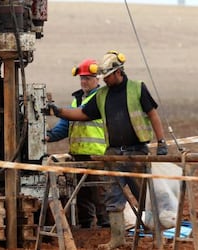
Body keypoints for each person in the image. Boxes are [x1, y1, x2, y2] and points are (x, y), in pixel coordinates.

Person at [47, 50, 168, 249]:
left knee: (145, 195)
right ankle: (117, 238)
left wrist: (161, 142)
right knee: (113, 196)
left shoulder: (137, 89)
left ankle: (159, 239)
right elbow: (83, 114)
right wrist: (58, 111)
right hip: (112, 153)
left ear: (118, 72)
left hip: (136, 152)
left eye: (107, 76)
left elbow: (152, 114)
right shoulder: (103, 95)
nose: (105, 79)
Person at [45, 58, 108, 229]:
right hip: (78, 155)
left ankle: (106, 226)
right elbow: (65, 125)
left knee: (100, 193)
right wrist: (48, 137)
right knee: (81, 194)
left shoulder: (101, 98)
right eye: (82, 78)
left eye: (87, 78)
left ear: (98, 79)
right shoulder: (77, 100)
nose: (84, 81)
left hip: (97, 155)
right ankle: (87, 226)